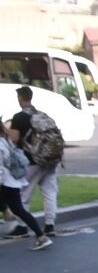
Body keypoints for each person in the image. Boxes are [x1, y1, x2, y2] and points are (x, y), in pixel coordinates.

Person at [13, 85, 63, 237]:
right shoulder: (42, 115)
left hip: (32, 160)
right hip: (51, 159)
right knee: (49, 192)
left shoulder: (19, 117)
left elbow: (14, 139)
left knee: (23, 195)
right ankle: (50, 225)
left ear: (20, 98)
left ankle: (22, 227)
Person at [1, 117, 52, 250]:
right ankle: (41, 237)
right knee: (19, 210)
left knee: (17, 210)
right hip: (12, 182)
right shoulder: (6, 140)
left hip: (4, 183)